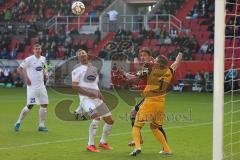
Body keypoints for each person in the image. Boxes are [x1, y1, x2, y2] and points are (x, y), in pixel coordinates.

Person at [130, 52, 183, 156]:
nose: (153, 62)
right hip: (160, 104)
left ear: (158, 64)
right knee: (155, 127)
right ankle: (167, 149)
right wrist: (180, 53)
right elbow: (177, 62)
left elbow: (141, 70)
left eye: (155, 61)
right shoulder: (169, 71)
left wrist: (137, 62)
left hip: (150, 102)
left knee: (136, 126)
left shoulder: (153, 72)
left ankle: (137, 147)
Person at [72, 49, 114, 153]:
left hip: (96, 98)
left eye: (83, 53)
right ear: (78, 57)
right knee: (96, 117)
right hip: (85, 99)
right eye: (80, 54)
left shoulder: (93, 68)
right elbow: (74, 86)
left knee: (110, 120)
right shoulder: (77, 70)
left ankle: (103, 142)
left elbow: (94, 84)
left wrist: (100, 93)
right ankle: (90, 145)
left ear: (87, 55)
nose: (82, 55)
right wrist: (87, 94)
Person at [14, 44, 49, 132]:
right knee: (30, 105)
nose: (38, 50)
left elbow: (45, 66)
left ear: (41, 50)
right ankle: (18, 122)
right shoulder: (29, 59)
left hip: (41, 86)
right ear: (33, 50)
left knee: (44, 104)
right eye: (36, 49)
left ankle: (41, 126)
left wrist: (46, 73)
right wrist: (26, 78)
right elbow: (19, 69)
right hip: (32, 87)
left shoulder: (43, 58)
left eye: (39, 49)